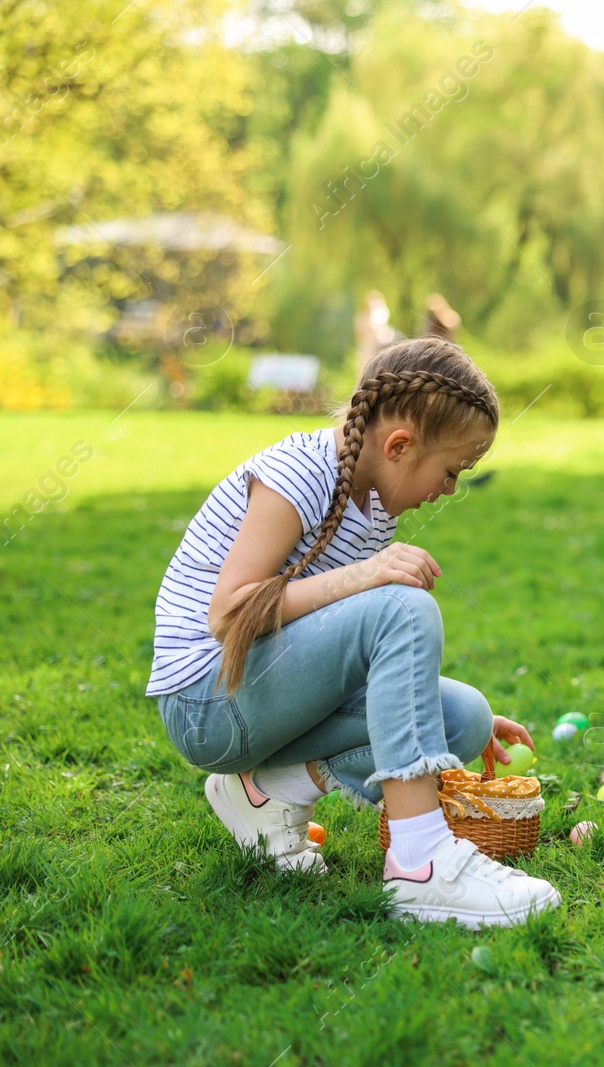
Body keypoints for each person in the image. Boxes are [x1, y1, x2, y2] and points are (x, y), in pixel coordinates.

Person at [147, 337, 559, 928]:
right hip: (205, 705)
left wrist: (421, 702)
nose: (449, 490)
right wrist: (363, 578)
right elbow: (229, 615)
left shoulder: (374, 503)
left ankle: (263, 795)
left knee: (462, 716)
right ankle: (421, 865)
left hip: (261, 700)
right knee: (400, 605)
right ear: (399, 446)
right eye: (450, 472)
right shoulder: (298, 474)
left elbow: (342, 644)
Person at [354, 290, 398, 373]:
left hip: (378, 351)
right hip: (367, 351)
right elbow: (361, 333)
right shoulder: (362, 318)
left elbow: (384, 334)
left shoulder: (381, 314)